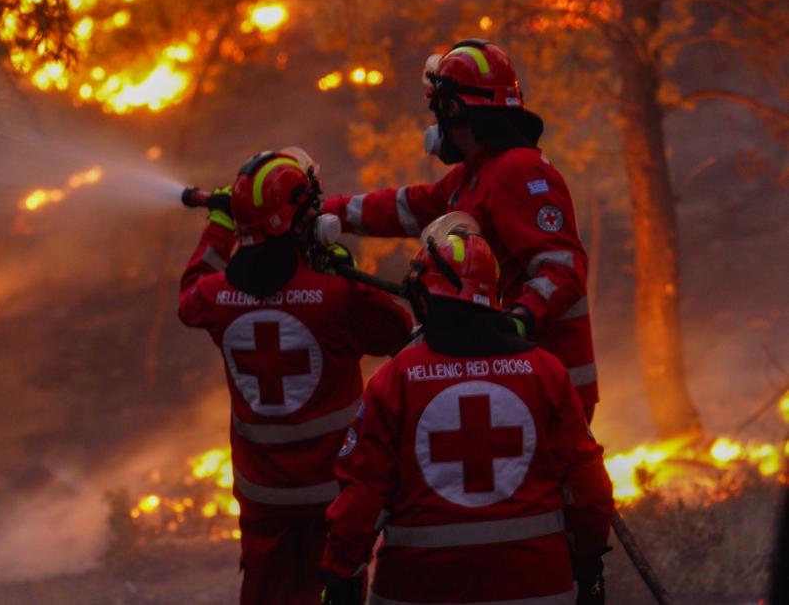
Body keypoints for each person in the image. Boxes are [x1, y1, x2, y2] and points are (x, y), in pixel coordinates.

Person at [320, 222, 614, 605]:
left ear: (425, 296)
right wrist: (588, 564)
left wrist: (341, 576)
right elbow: (589, 488)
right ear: (494, 297)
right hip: (538, 589)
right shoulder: (546, 374)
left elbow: (362, 499)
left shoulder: (395, 382)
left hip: (417, 591)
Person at [179, 147, 412, 605]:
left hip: (263, 498)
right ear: (297, 222)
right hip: (334, 494)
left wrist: (220, 226)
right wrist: (337, 263)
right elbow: (398, 329)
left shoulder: (214, 298)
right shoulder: (337, 297)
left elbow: (190, 292)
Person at [321, 39, 600, 421]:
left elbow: (564, 269)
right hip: (516, 381)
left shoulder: (520, 171)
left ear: (453, 108)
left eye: (438, 110)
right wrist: (329, 211)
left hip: (548, 386)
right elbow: (409, 207)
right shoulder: (477, 174)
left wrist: (516, 319)